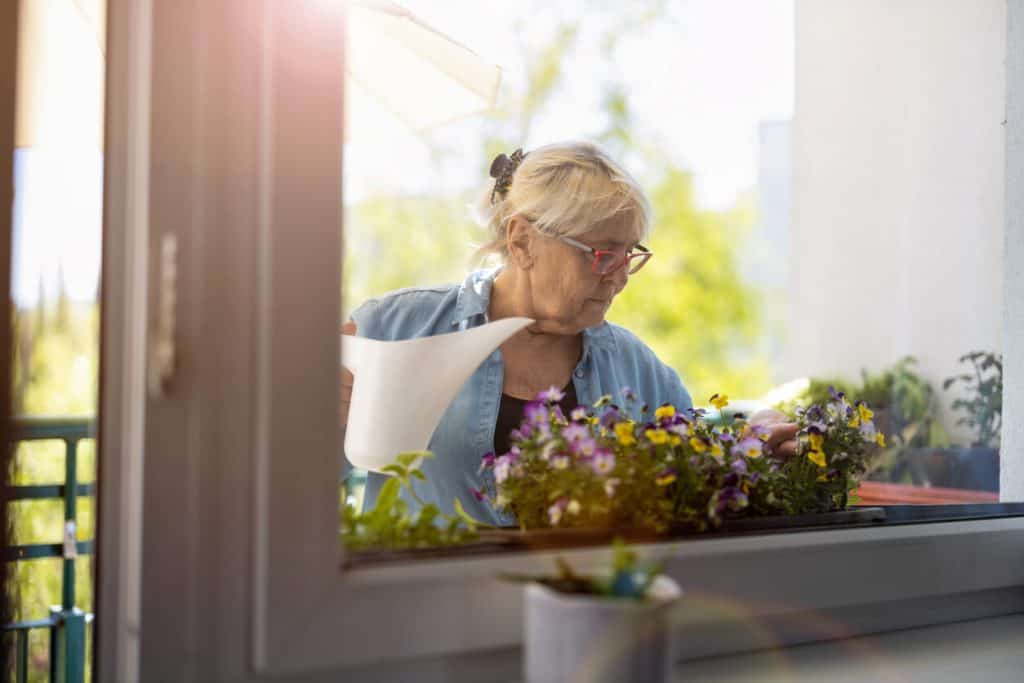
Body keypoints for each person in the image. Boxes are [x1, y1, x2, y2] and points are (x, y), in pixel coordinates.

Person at [341, 141, 796, 525]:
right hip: (421, 616)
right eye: (600, 255)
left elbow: (697, 467)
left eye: (629, 255)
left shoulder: (634, 369)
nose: (619, 277)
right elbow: (287, 492)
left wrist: (752, 441)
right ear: (522, 241)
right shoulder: (395, 329)